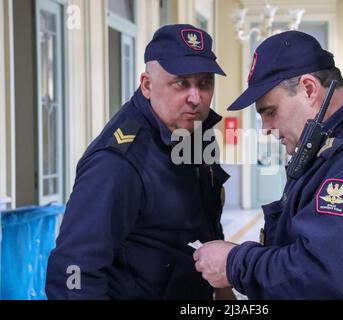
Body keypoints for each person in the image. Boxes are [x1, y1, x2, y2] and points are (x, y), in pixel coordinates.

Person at [193, 30, 343, 299]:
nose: (265, 128)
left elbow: (329, 281)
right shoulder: (334, 148)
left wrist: (235, 264)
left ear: (309, 89)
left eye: (270, 111)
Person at [46, 24, 233, 299]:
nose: (196, 98)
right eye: (181, 83)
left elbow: (203, 220)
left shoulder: (194, 132)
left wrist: (221, 288)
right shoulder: (117, 162)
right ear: (147, 85)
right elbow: (74, 271)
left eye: (205, 83)